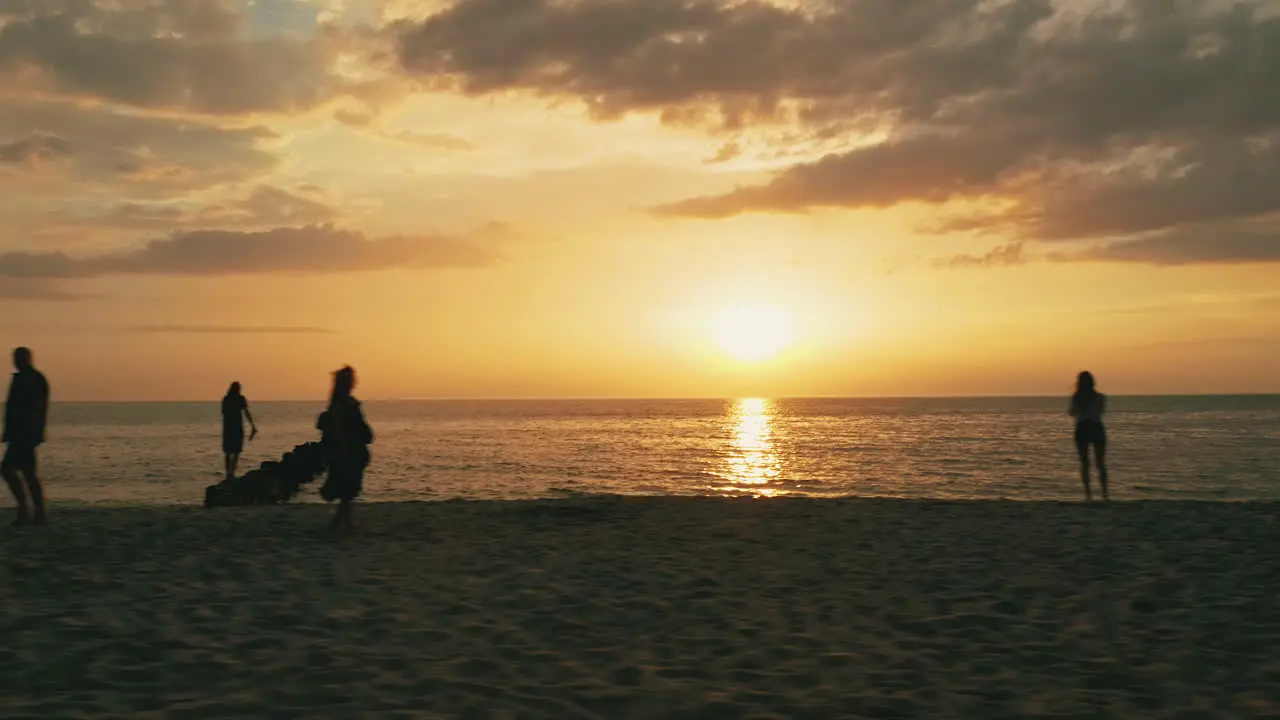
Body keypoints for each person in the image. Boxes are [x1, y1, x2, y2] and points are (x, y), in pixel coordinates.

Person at [318, 366, 373, 534]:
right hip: (347, 449)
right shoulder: (340, 403)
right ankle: (344, 523)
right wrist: (344, 450)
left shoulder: (345, 401)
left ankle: (340, 522)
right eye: (351, 379)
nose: (354, 382)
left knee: (347, 489)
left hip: (351, 448)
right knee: (346, 487)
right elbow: (339, 429)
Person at [3, 347, 50, 526]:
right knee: (27, 473)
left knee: (10, 470)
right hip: (21, 434)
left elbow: (36, 409)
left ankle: (29, 511)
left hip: (25, 434)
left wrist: (30, 431)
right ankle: (34, 512)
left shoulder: (33, 379)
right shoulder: (23, 378)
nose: (15, 361)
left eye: (18, 358)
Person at [1069, 371, 1108, 501]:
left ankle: (1088, 494)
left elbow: (1072, 412)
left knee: (1085, 462)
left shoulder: (1076, 397)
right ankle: (1105, 493)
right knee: (1100, 462)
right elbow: (1101, 411)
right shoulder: (1100, 397)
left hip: (1082, 427)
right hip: (1096, 427)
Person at [221, 382, 257, 481]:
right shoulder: (240, 398)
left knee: (228, 452)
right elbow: (246, 412)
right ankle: (231, 473)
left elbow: (223, 413)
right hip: (237, 427)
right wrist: (252, 425)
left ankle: (228, 474)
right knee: (236, 451)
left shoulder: (226, 399)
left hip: (228, 427)